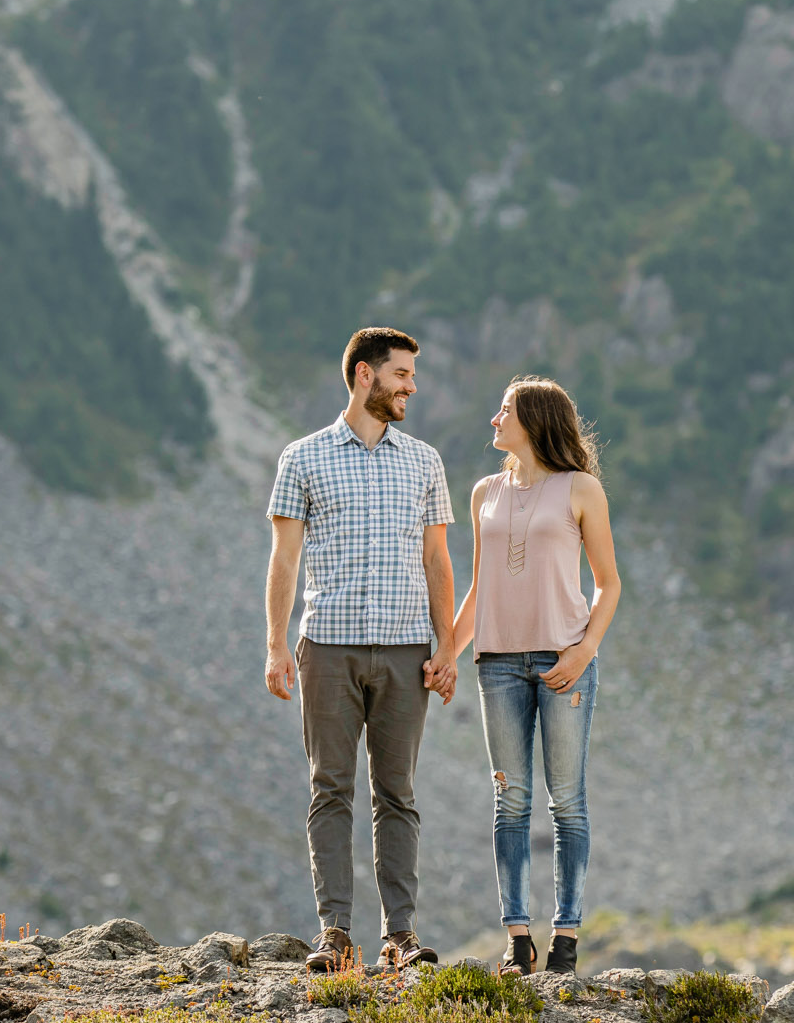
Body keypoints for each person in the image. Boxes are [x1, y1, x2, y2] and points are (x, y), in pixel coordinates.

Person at [264, 327, 457, 973]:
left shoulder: (425, 461)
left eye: (411, 374)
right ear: (364, 375)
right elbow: (284, 559)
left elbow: (437, 559)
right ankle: (335, 932)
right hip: (329, 648)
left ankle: (400, 935)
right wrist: (276, 644)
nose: (411, 385)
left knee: (397, 792)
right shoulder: (303, 457)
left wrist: (449, 645)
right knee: (331, 788)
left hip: (408, 651)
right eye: (401, 373)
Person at [443, 375, 620, 976]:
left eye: (505, 410)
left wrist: (584, 651)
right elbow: (479, 586)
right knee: (509, 800)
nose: (494, 419)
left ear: (534, 420)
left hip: (562, 660)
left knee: (566, 803)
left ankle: (565, 938)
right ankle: (518, 939)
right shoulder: (484, 492)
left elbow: (609, 583)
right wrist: (447, 653)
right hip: (496, 663)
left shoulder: (581, 489)